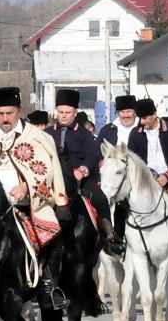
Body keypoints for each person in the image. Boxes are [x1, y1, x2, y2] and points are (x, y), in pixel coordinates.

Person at [0, 86, 70, 308]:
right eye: (0, 114)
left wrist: (26, 187)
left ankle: (49, 285)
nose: (4, 119)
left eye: (9, 113)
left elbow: (46, 171)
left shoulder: (38, 137)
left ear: (18, 111)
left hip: (27, 206)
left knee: (51, 232)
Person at [121, 98, 168, 260]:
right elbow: (132, 159)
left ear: (154, 114)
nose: (142, 122)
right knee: (121, 205)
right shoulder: (135, 133)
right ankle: (120, 242)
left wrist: (166, 176)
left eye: (145, 118)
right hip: (143, 181)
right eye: (140, 118)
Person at [45, 89, 119, 254]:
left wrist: (82, 170)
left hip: (81, 178)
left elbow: (92, 155)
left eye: (67, 112)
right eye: (61, 112)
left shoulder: (84, 134)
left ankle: (109, 236)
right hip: (53, 178)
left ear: (75, 112)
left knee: (100, 198)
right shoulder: (47, 133)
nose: (64, 116)